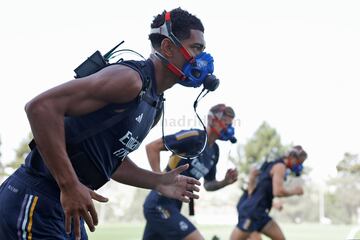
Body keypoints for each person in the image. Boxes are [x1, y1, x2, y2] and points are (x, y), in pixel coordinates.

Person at [0, 7, 219, 239]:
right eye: (196, 48)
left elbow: (110, 161)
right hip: (36, 200)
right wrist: (70, 185)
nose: (202, 59)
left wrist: (158, 181)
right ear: (167, 46)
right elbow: (40, 108)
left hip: (67, 207)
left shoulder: (154, 104)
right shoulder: (130, 80)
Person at [142, 104, 239, 240]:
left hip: (175, 205)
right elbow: (152, 147)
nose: (229, 127)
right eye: (225, 123)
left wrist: (225, 182)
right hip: (160, 202)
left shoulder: (214, 151)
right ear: (212, 120)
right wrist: (160, 182)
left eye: (230, 124)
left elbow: (208, 184)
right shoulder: (195, 137)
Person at [230, 146, 308, 240]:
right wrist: (295, 191)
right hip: (252, 213)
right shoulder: (280, 166)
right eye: (299, 162)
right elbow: (277, 191)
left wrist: (274, 204)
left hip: (261, 213)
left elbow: (260, 191)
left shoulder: (271, 165)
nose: (300, 165)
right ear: (292, 157)